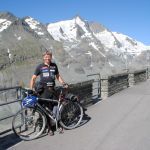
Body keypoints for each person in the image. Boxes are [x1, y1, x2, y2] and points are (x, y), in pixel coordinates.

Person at [30, 50, 68, 136]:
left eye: (49, 56)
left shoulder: (54, 66)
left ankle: (58, 125)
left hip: (53, 90)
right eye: (46, 56)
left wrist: (63, 83)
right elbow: (33, 78)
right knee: (46, 110)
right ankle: (49, 128)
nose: (47, 58)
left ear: (51, 57)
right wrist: (31, 89)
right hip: (44, 91)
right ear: (43, 57)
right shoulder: (40, 67)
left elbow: (58, 76)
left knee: (56, 108)